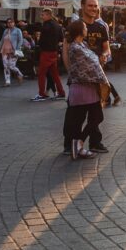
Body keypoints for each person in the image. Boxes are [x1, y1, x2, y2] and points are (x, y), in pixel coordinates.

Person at [63, 20, 106, 159]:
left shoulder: (83, 44)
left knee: (97, 116)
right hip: (81, 88)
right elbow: (91, 66)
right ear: (80, 31)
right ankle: (77, 146)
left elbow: (94, 63)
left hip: (89, 88)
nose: (87, 29)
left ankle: (79, 144)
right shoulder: (75, 47)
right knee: (78, 120)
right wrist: (104, 80)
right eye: (85, 28)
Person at [32, 8, 65, 102]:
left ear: (48, 15)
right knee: (55, 74)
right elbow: (61, 39)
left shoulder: (46, 25)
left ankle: (42, 94)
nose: (41, 16)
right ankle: (61, 92)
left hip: (46, 52)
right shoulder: (57, 26)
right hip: (54, 52)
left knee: (41, 74)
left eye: (43, 15)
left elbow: (42, 39)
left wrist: (40, 44)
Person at [0, 18, 25, 87]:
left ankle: (20, 74)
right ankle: (7, 81)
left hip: (13, 50)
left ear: (14, 23)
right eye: (8, 22)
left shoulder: (18, 30)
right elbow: (2, 41)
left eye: (11, 22)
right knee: (6, 66)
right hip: (4, 50)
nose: (9, 23)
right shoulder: (5, 30)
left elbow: (20, 40)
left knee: (11, 65)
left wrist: (16, 49)